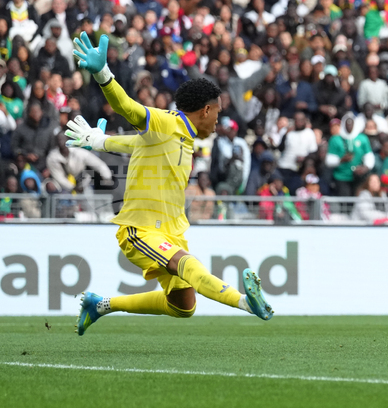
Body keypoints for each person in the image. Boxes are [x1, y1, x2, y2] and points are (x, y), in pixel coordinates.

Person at [67, 33, 273, 335]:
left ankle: (100, 305)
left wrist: (101, 141)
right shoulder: (165, 121)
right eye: (217, 112)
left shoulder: (182, 136)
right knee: (188, 264)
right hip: (141, 230)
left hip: (170, 231)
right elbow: (127, 107)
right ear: (205, 110)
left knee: (183, 305)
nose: (218, 121)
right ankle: (245, 303)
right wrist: (103, 73)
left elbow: (137, 144)